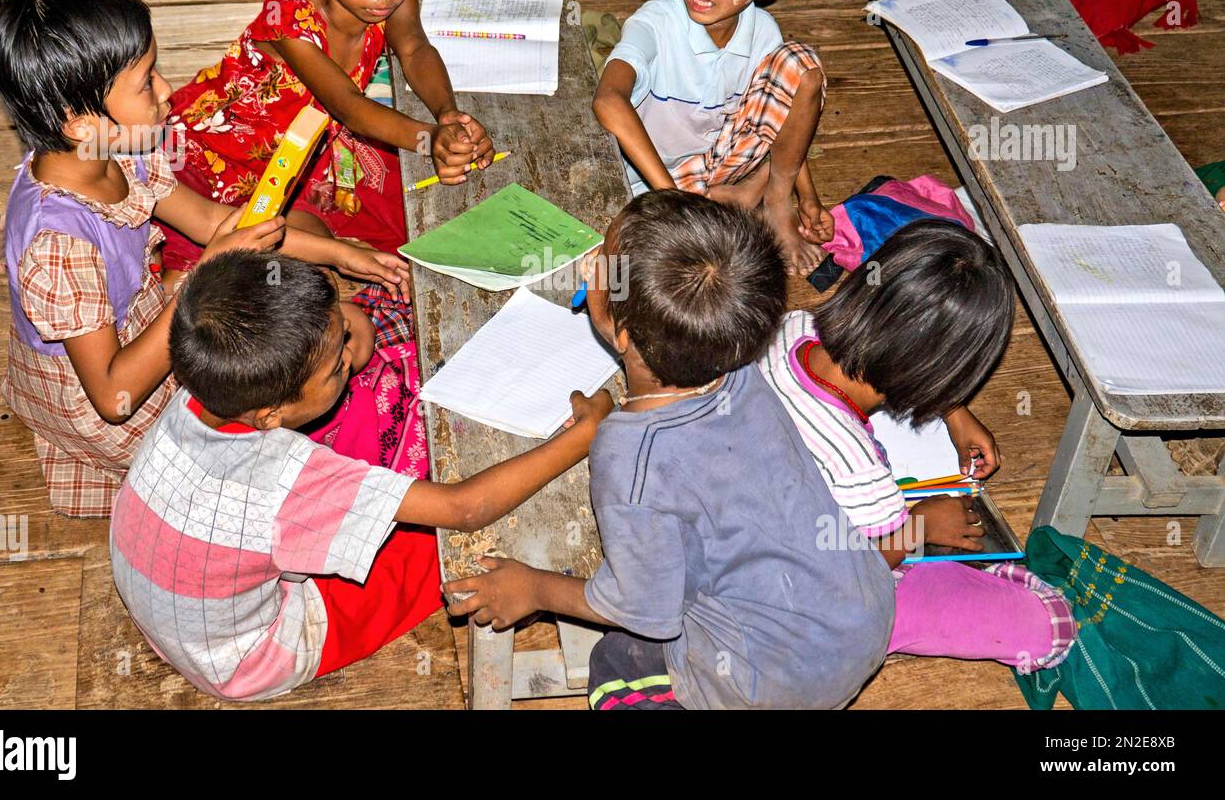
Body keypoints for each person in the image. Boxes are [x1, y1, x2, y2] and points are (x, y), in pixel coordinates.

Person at [444, 191, 895, 708]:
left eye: (603, 269)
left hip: (774, 683)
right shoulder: (742, 370)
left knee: (616, 663)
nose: (593, 266)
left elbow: (641, 606)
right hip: (864, 612)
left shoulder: (630, 459)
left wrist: (534, 590)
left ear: (623, 334)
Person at [0, 0, 408, 517]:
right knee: (305, 372)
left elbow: (218, 224)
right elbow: (114, 398)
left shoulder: (114, 154)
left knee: (330, 296)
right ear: (80, 123)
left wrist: (345, 255)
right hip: (116, 391)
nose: (166, 91)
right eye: (145, 82)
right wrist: (202, 279)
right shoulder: (58, 246)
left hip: (141, 322)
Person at [111, 250, 612, 701]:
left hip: (163, 603)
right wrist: (582, 435)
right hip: (245, 658)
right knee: (445, 549)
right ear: (270, 414)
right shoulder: (284, 477)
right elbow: (464, 508)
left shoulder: (202, 394)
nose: (348, 356)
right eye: (334, 367)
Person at [758, 219, 1076, 672]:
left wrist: (953, 410)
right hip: (796, 600)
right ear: (936, 372)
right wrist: (919, 526)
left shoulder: (791, 328)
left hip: (739, 527)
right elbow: (857, 567)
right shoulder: (859, 472)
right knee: (1052, 628)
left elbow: (886, 347)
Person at [159, 0, 494, 270]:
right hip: (215, 157)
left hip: (299, 150)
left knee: (408, 212)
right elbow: (350, 108)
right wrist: (430, 138)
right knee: (228, 258)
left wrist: (447, 115)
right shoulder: (289, 22)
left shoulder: (396, 2)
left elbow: (415, 50)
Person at [592, 0, 833, 274]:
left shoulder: (762, 32)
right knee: (658, 266)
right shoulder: (655, 24)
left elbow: (781, 110)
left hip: (718, 161)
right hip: (651, 181)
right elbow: (608, 99)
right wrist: (672, 199)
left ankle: (774, 202)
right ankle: (731, 201)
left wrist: (807, 197)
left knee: (801, 68)